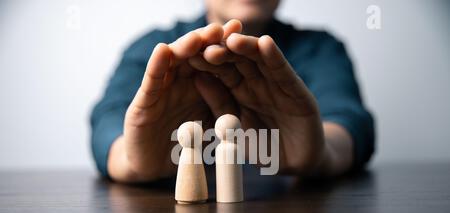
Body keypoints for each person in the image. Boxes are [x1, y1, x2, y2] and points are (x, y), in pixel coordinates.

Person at [90, 0, 375, 183]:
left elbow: (348, 118)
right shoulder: (154, 47)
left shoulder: (322, 49)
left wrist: (323, 152)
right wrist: (129, 158)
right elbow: (109, 117)